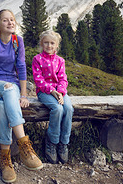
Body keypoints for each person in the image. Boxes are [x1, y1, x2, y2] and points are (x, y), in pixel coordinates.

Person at [0, 9, 43, 183]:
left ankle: (5, 160)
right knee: (8, 89)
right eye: (5, 20)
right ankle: (24, 144)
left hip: (12, 87)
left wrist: (24, 95)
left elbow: (21, 67)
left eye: (12, 20)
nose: (10, 23)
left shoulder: (18, 41)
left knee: (2, 105)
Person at [32, 30, 74, 164]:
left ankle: (63, 143)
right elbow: (39, 81)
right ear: (41, 44)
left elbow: (63, 79)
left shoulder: (60, 61)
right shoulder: (37, 59)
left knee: (68, 109)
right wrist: (52, 92)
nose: (49, 46)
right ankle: (52, 142)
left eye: (52, 43)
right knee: (58, 109)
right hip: (44, 92)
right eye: (46, 43)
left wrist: (60, 92)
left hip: (60, 92)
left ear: (57, 46)